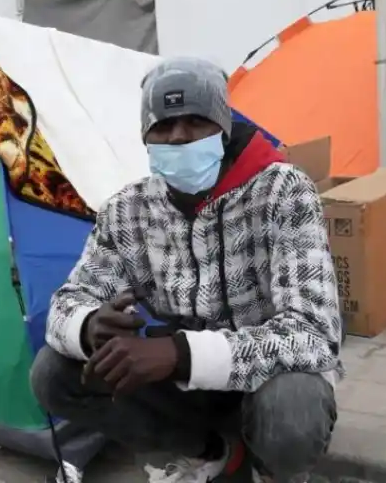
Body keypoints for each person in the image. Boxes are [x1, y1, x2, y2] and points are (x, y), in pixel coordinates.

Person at [31, 57, 343, 483]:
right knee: (53, 373)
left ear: (224, 126)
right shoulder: (128, 210)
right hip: (187, 388)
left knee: (294, 406)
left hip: (264, 379)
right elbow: (67, 302)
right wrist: (88, 326)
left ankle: (272, 471)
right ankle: (211, 453)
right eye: (162, 125)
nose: (178, 136)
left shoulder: (283, 192)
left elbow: (315, 333)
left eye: (196, 121)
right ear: (145, 138)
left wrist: (180, 353)